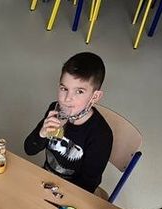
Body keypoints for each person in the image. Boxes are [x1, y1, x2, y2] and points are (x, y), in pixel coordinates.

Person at [24, 52, 113, 194]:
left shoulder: (101, 135)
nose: (67, 99)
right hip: (46, 179)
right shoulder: (55, 110)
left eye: (79, 91)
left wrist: (55, 192)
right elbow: (29, 149)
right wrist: (41, 134)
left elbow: (87, 187)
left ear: (95, 96)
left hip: (72, 193)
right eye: (64, 88)